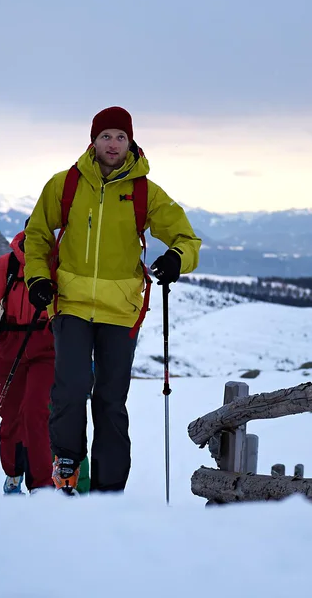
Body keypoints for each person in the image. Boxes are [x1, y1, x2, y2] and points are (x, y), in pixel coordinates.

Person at [24, 106, 200, 493]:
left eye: (121, 137)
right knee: (70, 388)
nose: (114, 144)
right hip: (69, 302)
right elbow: (37, 235)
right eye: (106, 136)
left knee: (110, 398)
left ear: (131, 142)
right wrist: (37, 278)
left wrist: (176, 258)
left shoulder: (144, 191)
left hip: (121, 309)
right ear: (93, 140)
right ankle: (67, 464)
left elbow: (187, 239)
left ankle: (110, 486)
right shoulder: (64, 184)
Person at [0, 228, 55, 494]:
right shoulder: (8, 264)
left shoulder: (59, 265)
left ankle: (41, 484)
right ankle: (13, 475)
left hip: (46, 345)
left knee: (35, 412)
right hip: (11, 345)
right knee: (10, 414)